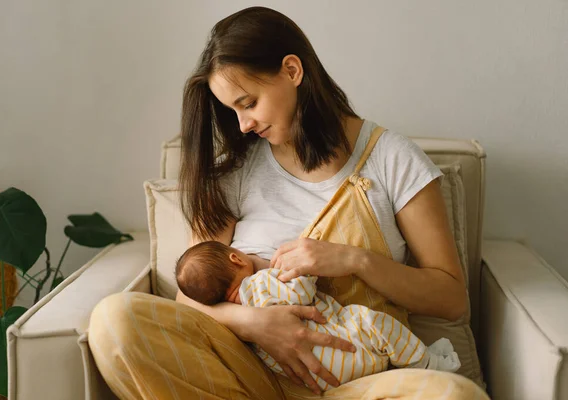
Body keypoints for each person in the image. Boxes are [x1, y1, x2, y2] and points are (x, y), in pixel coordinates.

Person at [88, 6, 490, 399]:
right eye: (233, 111)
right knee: (115, 321)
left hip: (356, 379)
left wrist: (355, 261)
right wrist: (254, 324)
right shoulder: (240, 170)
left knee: (453, 394)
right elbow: (188, 297)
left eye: (248, 102)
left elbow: (450, 297)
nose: (243, 124)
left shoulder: (393, 159)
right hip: (247, 374)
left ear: (292, 71)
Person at [174, 240, 462, 391]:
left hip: (315, 378)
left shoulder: (232, 315)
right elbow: (297, 295)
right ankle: (426, 362)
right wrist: (305, 270)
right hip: (340, 346)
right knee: (375, 323)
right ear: (236, 258)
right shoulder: (260, 283)